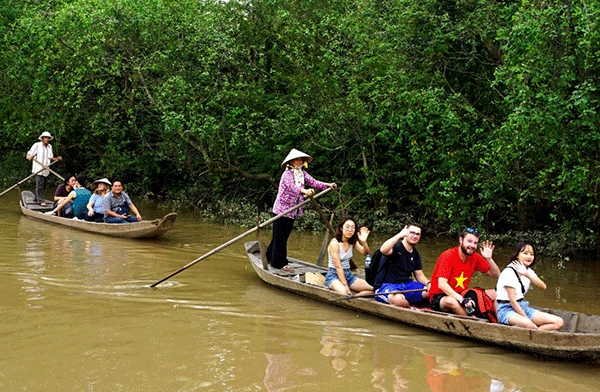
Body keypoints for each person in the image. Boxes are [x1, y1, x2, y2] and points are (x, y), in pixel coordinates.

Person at [266, 149, 336, 272]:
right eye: (296, 160)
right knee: (280, 237)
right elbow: (293, 187)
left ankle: (269, 256)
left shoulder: (302, 173)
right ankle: (279, 263)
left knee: (281, 236)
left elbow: (314, 182)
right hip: (282, 210)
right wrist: (305, 191)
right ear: (291, 162)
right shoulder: (287, 174)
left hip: (292, 211)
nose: (299, 162)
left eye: (300, 160)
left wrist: (327, 185)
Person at [428, 228, 500, 316]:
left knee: (497, 294)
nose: (472, 245)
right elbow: (442, 285)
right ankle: (476, 322)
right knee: (451, 301)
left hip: (461, 294)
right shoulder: (448, 255)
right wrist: (461, 299)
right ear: (461, 240)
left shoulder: (475, 257)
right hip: (440, 297)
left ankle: (499, 322)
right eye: (469, 241)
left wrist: (489, 259)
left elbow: (496, 275)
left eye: (475, 243)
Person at [496, 242, 564, 331]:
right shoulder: (509, 272)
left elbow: (543, 286)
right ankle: (534, 331)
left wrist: (527, 274)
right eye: (525, 253)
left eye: (532, 254)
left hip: (523, 306)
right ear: (517, 255)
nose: (529, 257)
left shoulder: (527, 271)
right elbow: (512, 301)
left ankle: (535, 333)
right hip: (506, 310)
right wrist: (527, 320)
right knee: (529, 325)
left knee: (559, 322)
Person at [373, 223, 430, 307]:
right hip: (388, 286)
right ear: (406, 233)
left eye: (417, 234)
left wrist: (429, 284)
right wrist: (399, 235)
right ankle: (409, 309)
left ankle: (411, 303)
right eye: (412, 233)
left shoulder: (415, 253)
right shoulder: (396, 247)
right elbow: (383, 250)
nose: (415, 236)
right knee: (399, 299)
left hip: (407, 286)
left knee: (431, 292)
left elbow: (419, 275)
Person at [326, 217, 373, 295]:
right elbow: (338, 267)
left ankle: (358, 296)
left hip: (348, 275)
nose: (350, 230)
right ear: (341, 228)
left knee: (374, 287)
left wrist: (364, 242)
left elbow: (366, 253)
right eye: (347, 227)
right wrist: (345, 286)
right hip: (334, 275)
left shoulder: (352, 241)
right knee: (344, 292)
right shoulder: (334, 243)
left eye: (352, 228)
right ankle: (351, 295)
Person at [26, 131, 62, 205]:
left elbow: (50, 157)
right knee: (40, 185)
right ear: (42, 138)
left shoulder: (49, 147)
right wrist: (29, 157)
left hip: (46, 169)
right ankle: (41, 200)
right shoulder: (37, 145)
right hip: (38, 169)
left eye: (48, 138)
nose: (47, 139)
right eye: (45, 138)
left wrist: (57, 159)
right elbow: (29, 154)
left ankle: (36, 198)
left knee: (43, 185)